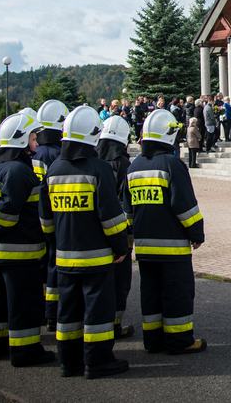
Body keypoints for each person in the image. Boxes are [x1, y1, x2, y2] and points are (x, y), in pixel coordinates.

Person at [40, 106, 130, 379]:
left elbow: (45, 218)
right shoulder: (98, 169)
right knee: (97, 314)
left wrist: (57, 241)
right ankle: (98, 362)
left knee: (69, 312)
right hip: (97, 258)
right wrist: (120, 247)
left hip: (64, 257)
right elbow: (110, 217)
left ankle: (69, 363)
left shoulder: (54, 169)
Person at [125, 109, 207, 355]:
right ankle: (180, 340)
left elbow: (127, 210)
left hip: (144, 247)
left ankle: (153, 339)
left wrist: (129, 239)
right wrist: (197, 233)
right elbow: (184, 205)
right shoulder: (172, 164)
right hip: (172, 247)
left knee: (150, 293)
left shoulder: (134, 167)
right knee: (177, 293)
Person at [0, 112, 55, 367]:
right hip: (20, 251)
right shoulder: (19, 171)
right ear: (21, 139)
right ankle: (25, 351)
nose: (36, 143)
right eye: (33, 138)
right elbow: (9, 211)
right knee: (24, 303)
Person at [97, 115, 134, 339]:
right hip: (119, 233)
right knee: (120, 281)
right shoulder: (124, 165)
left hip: (94, 236)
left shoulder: (94, 162)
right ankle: (115, 325)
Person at [36, 99, 70, 332]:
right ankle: (53, 314)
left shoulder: (34, 151)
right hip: (54, 218)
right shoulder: (57, 155)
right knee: (54, 266)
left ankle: (43, 311)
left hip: (32, 220)